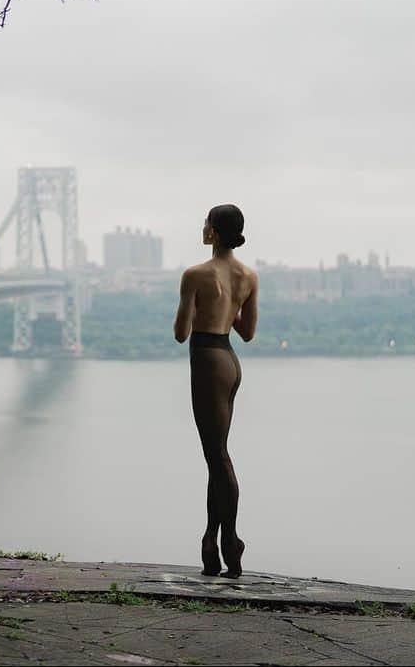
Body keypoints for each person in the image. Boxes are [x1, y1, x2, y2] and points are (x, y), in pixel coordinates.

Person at [172, 204, 258, 578]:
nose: (202, 227)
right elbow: (248, 332)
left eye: (206, 223)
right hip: (231, 362)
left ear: (215, 232)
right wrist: (228, 305)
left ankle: (231, 542)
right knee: (215, 458)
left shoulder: (195, 274)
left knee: (218, 457)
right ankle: (211, 540)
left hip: (207, 361)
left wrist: (196, 307)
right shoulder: (248, 276)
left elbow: (180, 333)